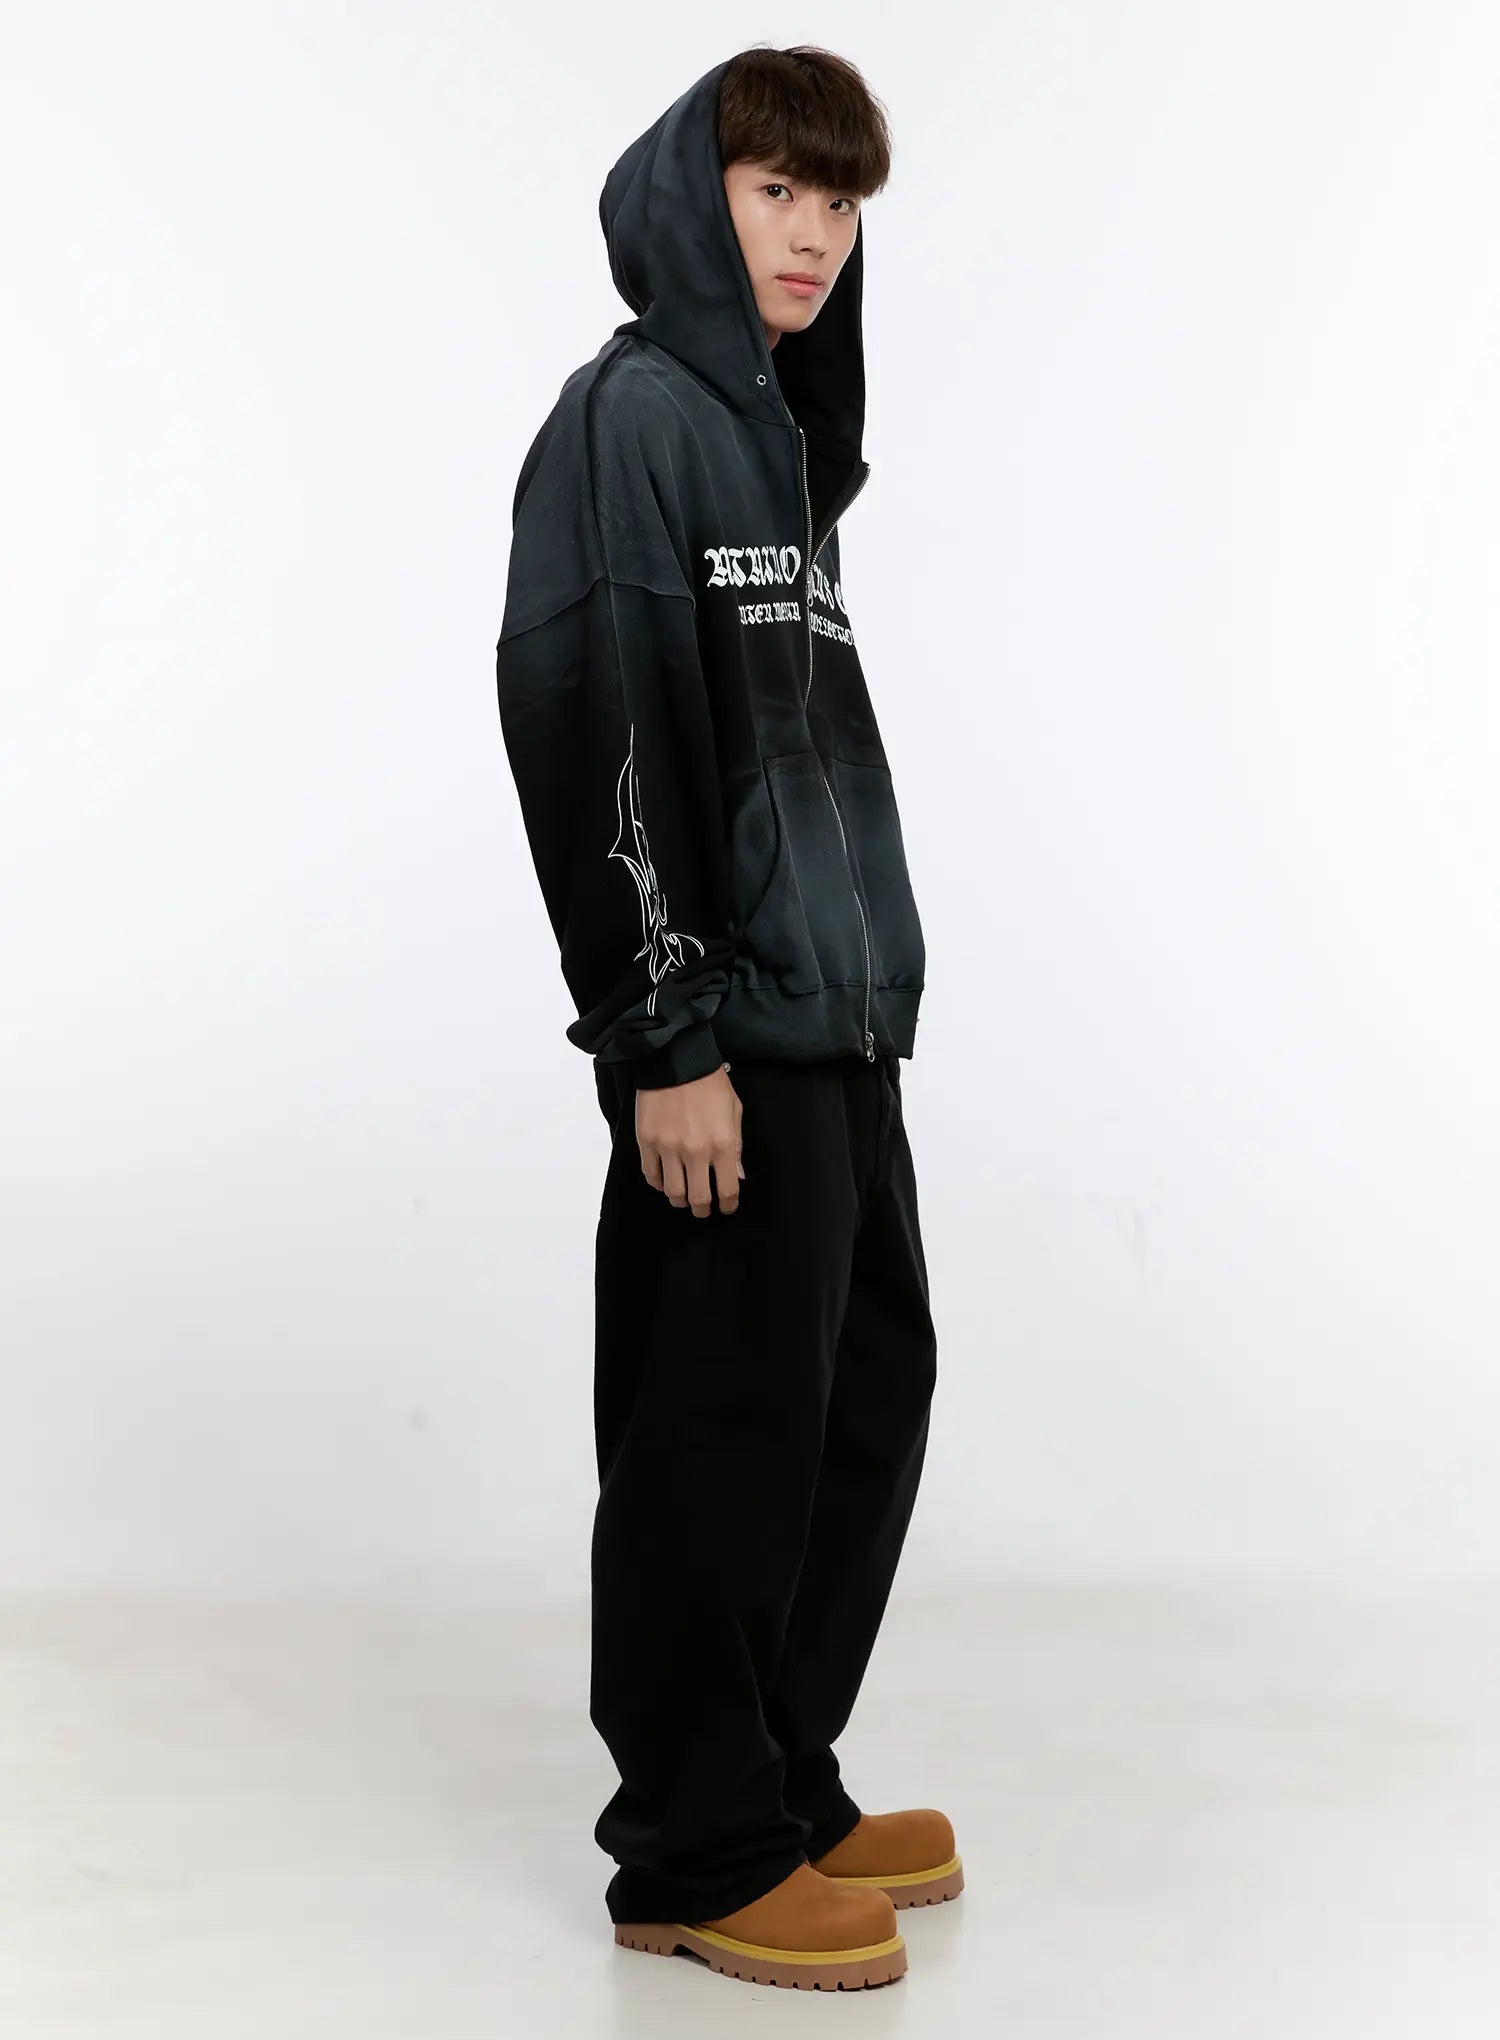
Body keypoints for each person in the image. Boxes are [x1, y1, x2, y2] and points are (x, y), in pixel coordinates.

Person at [494, 45, 955, 1993]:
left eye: (841, 204)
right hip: (721, 1032)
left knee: (864, 1396)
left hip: (834, 1014)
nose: (816, 234)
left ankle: (780, 1778)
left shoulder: (778, 451)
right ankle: (691, 1847)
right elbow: (593, 720)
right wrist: (663, 1036)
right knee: (722, 1431)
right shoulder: (634, 421)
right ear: (701, 198)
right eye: (780, 191)